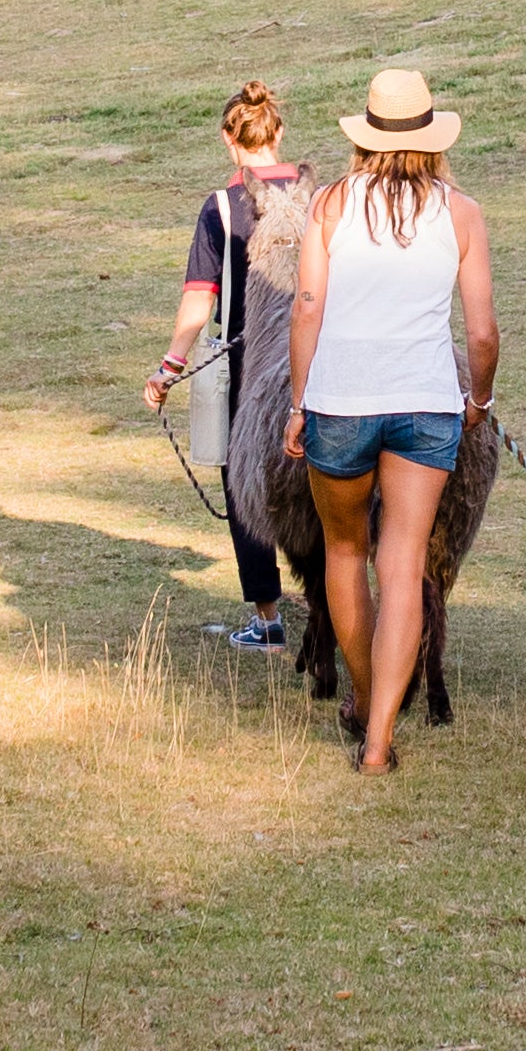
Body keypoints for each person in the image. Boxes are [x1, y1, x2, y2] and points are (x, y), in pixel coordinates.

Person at [280, 67, 494, 775]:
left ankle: (369, 697)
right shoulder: (461, 212)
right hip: (426, 404)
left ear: (365, 138)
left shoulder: (331, 206)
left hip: (341, 403)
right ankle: (378, 743)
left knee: (345, 555)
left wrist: (297, 402)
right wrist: (480, 403)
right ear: (431, 139)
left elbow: (305, 307)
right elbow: (484, 334)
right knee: (401, 566)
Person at [139, 80, 304, 648]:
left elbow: (198, 298)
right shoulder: (320, 193)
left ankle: (268, 616)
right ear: (277, 132)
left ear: (227, 139)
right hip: (319, 354)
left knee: (245, 485)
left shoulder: (222, 207)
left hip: (247, 361)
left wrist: (169, 366)